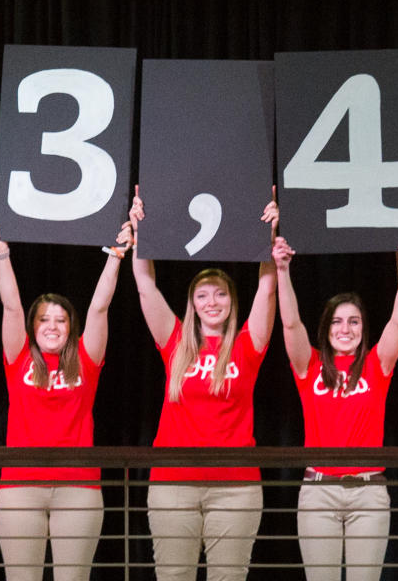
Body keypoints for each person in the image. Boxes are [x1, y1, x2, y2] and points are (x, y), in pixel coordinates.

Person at [128, 190, 276, 581]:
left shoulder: (248, 345)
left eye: (221, 294)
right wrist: (144, 229)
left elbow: (268, 288)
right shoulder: (174, 342)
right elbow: (144, 284)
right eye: (203, 295)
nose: (213, 302)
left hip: (236, 487)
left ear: (232, 301)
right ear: (192, 304)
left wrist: (271, 231)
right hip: (173, 484)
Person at [0, 218, 127, 581]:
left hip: (78, 489)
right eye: (44, 319)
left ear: (70, 327)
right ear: (33, 327)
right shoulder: (18, 356)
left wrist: (115, 256)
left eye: (61, 321)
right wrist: (1, 254)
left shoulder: (85, 358)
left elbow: (99, 308)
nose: (52, 326)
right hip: (20, 489)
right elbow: (12, 307)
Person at [270, 231, 398, 581]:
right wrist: (283, 272)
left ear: (364, 329)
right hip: (318, 492)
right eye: (336, 321)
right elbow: (290, 323)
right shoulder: (310, 365)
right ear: (325, 328)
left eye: (353, 321)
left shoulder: (378, 365)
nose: (344, 329)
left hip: (369, 493)